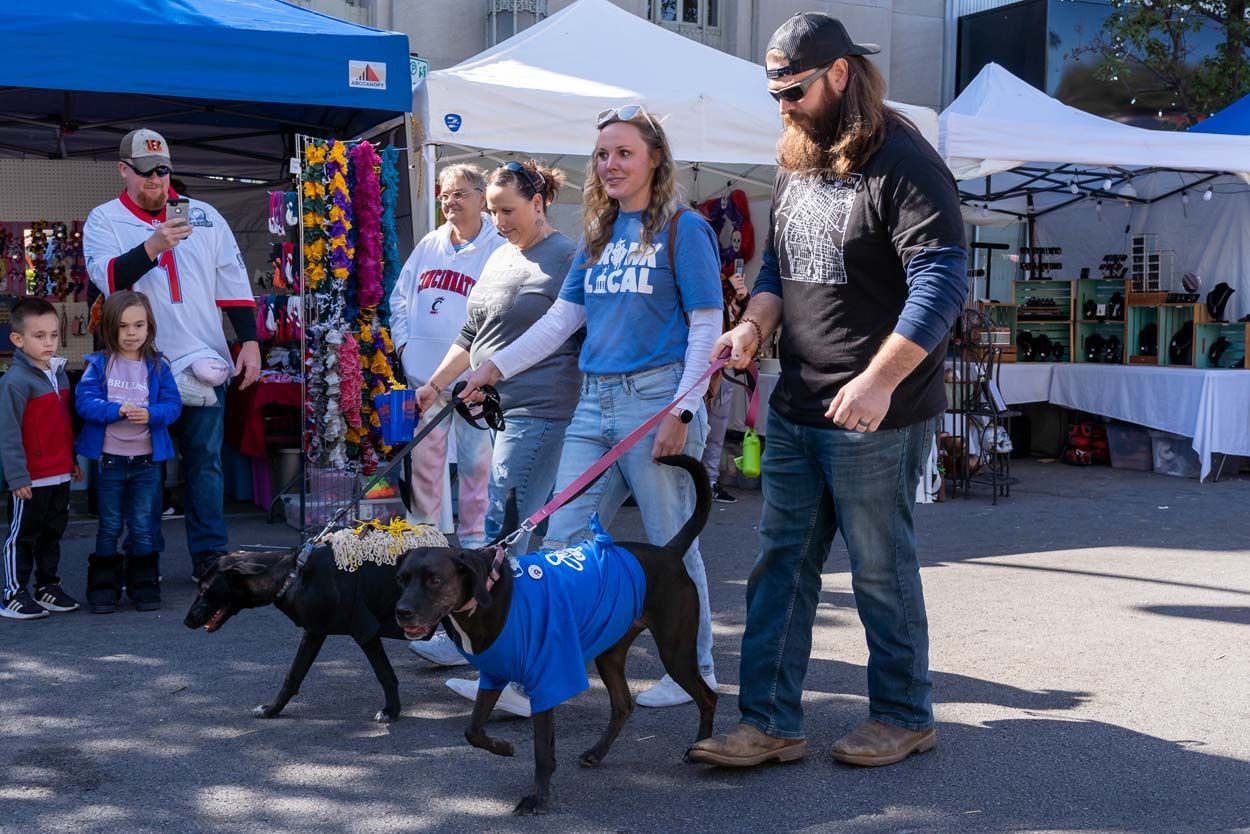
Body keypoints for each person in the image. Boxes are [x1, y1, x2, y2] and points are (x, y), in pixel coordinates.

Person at [687, 13, 967, 769]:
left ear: (840, 74)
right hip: (799, 401)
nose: (782, 105)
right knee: (782, 563)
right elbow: (781, 267)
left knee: (880, 569)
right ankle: (770, 722)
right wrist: (751, 330)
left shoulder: (905, 158)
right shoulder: (798, 157)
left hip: (876, 410)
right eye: (774, 91)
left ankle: (906, 715)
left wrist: (879, 381)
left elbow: (941, 283)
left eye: (795, 89)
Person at [459, 105, 724, 710]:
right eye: (602, 154)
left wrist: (682, 413)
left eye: (624, 153)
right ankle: (549, 676)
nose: (610, 164)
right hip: (593, 399)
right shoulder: (598, 235)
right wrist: (493, 367)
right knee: (565, 543)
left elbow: (707, 327)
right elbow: (560, 322)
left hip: (657, 399)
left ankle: (695, 670)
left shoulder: (685, 229)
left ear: (655, 158)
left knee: (668, 543)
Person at [410, 160, 579, 710]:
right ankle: (504, 665)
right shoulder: (503, 256)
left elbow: (568, 333)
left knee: (507, 544)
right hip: (498, 411)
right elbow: (471, 331)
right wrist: (436, 384)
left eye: (508, 210)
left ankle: (516, 675)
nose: (499, 221)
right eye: (495, 212)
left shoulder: (566, 257)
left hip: (541, 410)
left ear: (539, 201)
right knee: (510, 542)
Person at [83, 129, 260, 581]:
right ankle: (146, 558)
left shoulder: (205, 216)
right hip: (140, 369)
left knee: (205, 462)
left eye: (163, 170)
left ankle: (209, 555)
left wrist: (250, 343)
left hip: (204, 360)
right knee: (146, 467)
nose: (157, 180)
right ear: (124, 170)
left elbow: (233, 286)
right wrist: (154, 245)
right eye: (145, 172)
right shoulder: (104, 219)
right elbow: (109, 278)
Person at [390, 164, 504, 550]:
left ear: (480, 196)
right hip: (425, 376)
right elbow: (400, 298)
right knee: (424, 464)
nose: (449, 202)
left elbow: (508, 311)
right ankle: (424, 541)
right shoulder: (430, 244)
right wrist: (405, 346)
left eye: (458, 194)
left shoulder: (498, 246)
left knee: (477, 465)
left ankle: (475, 544)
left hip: (474, 379)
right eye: (444, 195)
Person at [75, 291, 182, 614]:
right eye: (123, 326)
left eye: (138, 325)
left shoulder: (159, 366)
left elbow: (173, 406)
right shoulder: (98, 365)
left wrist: (151, 415)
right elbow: (84, 402)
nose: (131, 333)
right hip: (110, 460)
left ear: (149, 326)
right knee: (108, 524)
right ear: (109, 328)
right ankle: (104, 585)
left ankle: (143, 583)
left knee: (142, 524)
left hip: (147, 462)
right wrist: (114, 410)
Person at [0, 298, 81, 619]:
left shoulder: (59, 374)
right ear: (18, 340)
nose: (48, 342)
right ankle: (12, 594)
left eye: (53, 334)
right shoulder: (15, 382)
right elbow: (8, 433)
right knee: (22, 537)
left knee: (52, 533)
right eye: (39, 336)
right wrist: (17, 476)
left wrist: (71, 460)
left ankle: (47, 587)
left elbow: (62, 427)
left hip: (59, 473)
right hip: (30, 479)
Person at [702, 269, 750, 504]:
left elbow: (736, 324)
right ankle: (689, 483)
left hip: (724, 367)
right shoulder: (703, 280)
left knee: (716, 428)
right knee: (695, 427)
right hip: (699, 365)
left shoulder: (725, 281)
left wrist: (741, 300)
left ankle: (709, 481)